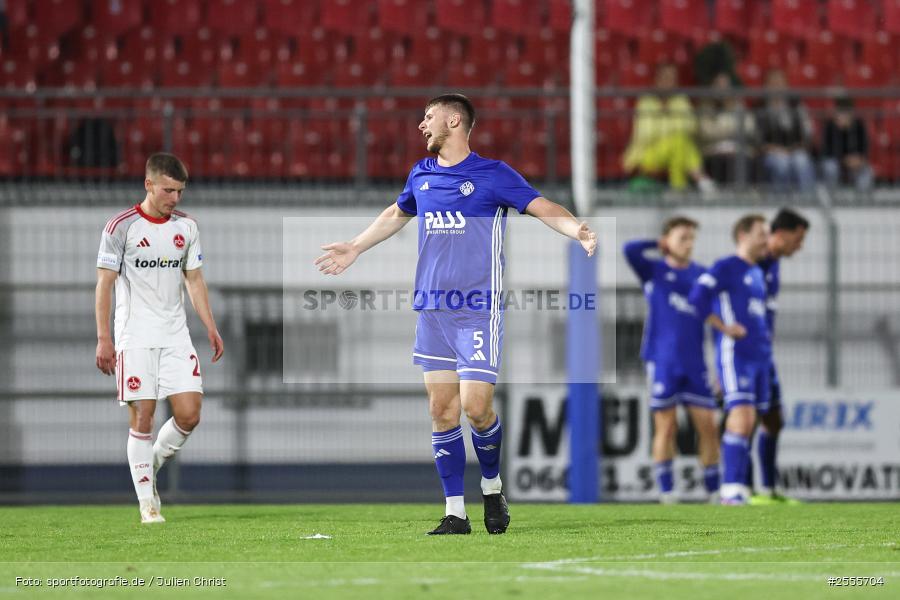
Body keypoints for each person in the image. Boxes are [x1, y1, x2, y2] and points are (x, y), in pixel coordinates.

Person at [316, 93, 597, 535]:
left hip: (477, 311)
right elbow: (397, 212)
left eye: (428, 117)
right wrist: (355, 246)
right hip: (432, 310)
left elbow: (542, 206)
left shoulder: (492, 174)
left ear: (454, 120)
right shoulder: (421, 174)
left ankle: (491, 486)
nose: (421, 125)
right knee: (441, 409)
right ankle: (455, 512)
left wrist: (574, 228)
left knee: (476, 407)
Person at [95, 153, 224, 524]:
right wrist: (104, 338)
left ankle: (146, 469)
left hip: (175, 334)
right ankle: (148, 505)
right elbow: (104, 284)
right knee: (144, 417)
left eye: (180, 191)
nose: (175, 198)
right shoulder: (121, 227)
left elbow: (194, 280)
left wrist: (210, 327)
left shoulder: (187, 227)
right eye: (168, 190)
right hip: (134, 335)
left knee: (189, 414)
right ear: (149, 184)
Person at [623, 216, 720, 504]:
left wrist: (719, 366)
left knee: (708, 426)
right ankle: (667, 492)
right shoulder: (653, 270)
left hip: (695, 362)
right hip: (662, 360)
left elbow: (714, 319)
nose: (689, 244)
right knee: (667, 426)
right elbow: (630, 249)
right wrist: (657, 244)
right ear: (668, 241)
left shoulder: (702, 276)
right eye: (682, 238)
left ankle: (714, 491)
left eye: (692, 238)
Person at [689, 214, 770, 505]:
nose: (766, 240)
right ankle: (730, 488)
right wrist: (723, 327)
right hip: (735, 353)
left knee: (749, 422)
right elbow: (697, 298)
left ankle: (738, 486)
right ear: (743, 236)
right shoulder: (725, 267)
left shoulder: (758, 273)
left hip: (758, 356)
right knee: (741, 416)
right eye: (762, 233)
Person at [749, 208, 809, 505]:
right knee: (743, 419)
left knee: (774, 419)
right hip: (746, 356)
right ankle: (741, 490)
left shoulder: (773, 264)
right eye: (798, 239)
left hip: (764, 354)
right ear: (782, 234)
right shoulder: (754, 263)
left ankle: (769, 490)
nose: (800, 246)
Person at [622, 62, 715, 194]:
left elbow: (690, 126)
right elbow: (646, 133)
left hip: (674, 151)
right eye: (665, 78)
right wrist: (673, 125)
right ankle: (697, 179)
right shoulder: (645, 102)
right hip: (647, 153)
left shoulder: (681, 100)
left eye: (672, 79)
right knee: (679, 141)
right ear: (656, 80)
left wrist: (662, 124)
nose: (668, 82)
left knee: (679, 143)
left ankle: (679, 188)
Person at [755, 69, 816, 193]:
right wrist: (774, 149)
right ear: (766, 87)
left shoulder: (797, 106)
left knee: (801, 161)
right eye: (773, 84)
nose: (777, 88)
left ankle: (807, 200)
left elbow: (807, 134)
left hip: (794, 150)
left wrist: (792, 149)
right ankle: (781, 201)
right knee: (781, 163)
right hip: (771, 153)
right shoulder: (759, 108)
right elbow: (757, 139)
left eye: (780, 84)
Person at [698, 72, 756, 184]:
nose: (722, 89)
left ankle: (743, 196)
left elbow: (749, 127)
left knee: (745, 160)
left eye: (724, 85)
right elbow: (706, 132)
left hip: (737, 150)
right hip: (713, 152)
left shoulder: (738, 106)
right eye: (718, 85)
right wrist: (731, 130)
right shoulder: (705, 108)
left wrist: (720, 129)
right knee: (724, 162)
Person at [820, 97, 873, 193]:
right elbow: (826, 151)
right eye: (840, 113)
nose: (843, 116)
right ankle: (832, 195)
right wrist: (844, 160)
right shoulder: (830, 126)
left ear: (851, 113)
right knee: (830, 167)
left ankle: (861, 199)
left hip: (855, 163)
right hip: (836, 162)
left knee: (867, 172)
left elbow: (865, 146)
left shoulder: (859, 125)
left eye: (846, 113)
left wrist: (861, 159)